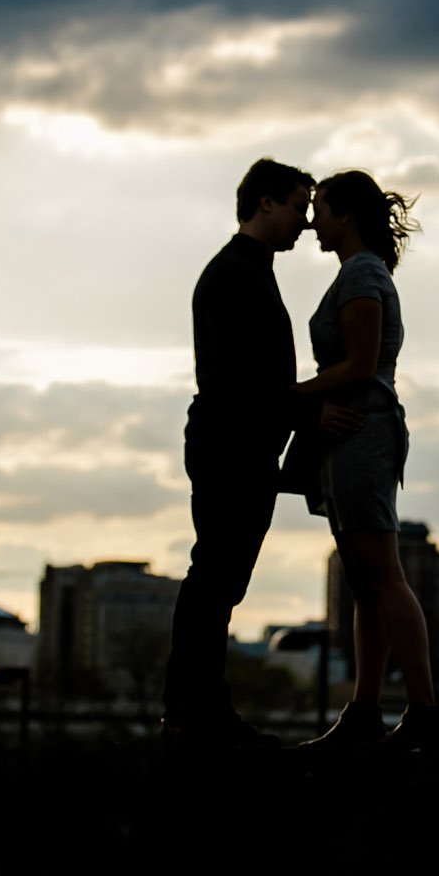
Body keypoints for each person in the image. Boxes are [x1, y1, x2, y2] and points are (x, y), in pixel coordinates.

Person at [162, 157, 350, 749]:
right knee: (215, 576)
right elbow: (242, 380)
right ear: (265, 202)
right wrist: (307, 413)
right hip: (231, 445)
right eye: (298, 205)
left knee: (219, 577)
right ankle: (196, 709)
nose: (305, 221)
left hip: (237, 444)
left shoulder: (244, 270)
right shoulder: (236, 275)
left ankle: (198, 707)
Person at [292, 169, 439, 752]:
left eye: (322, 210)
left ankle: (422, 713)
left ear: (346, 215)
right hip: (356, 435)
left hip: (362, 433)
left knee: (380, 574)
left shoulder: (359, 274)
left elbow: (359, 366)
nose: (313, 222)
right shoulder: (360, 272)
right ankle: (364, 711)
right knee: (366, 580)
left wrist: (291, 395)